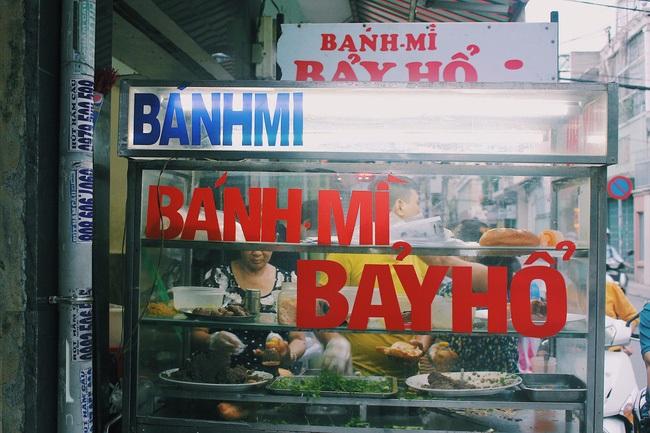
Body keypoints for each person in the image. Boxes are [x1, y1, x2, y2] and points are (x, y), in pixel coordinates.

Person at [317, 176, 489, 377]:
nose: (419, 212)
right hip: (356, 376)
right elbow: (318, 306)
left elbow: (426, 310)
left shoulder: (422, 253)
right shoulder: (349, 248)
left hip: (409, 378)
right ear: (400, 206)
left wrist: (421, 342)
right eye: (416, 203)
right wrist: (334, 340)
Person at [192, 249, 306, 370]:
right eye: (251, 245)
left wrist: (288, 355)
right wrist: (212, 340)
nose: (257, 253)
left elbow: (299, 338)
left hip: (274, 370)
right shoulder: (218, 276)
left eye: (264, 246)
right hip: (223, 368)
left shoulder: (289, 280)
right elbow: (196, 333)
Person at [432, 219, 520, 373]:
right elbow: (434, 328)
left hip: (497, 377)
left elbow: (441, 260)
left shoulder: (491, 280)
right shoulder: (449, 289)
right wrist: (432, 350)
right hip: (458, 376)